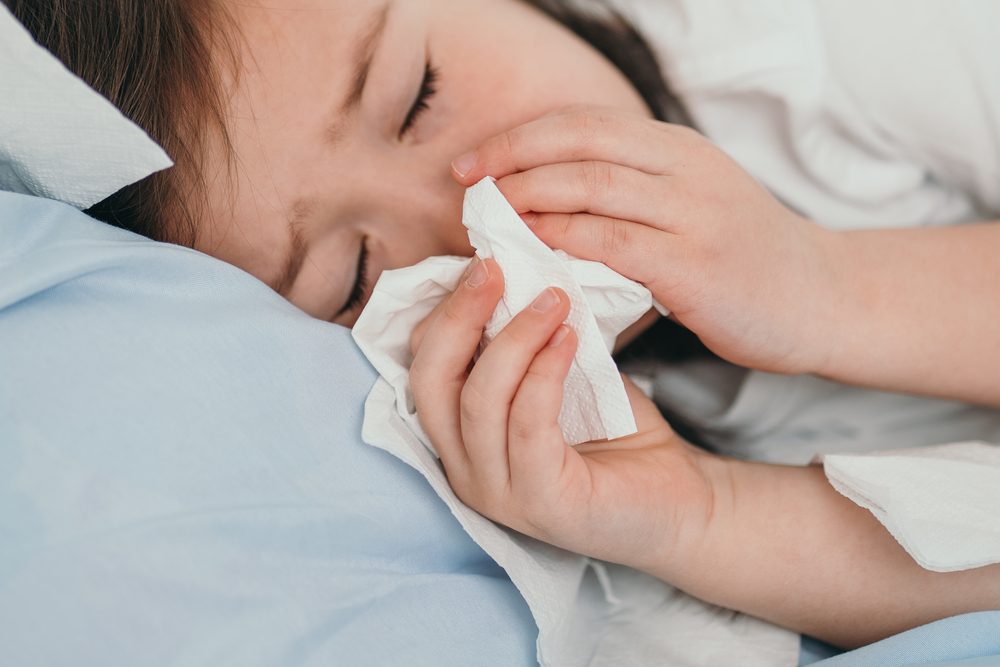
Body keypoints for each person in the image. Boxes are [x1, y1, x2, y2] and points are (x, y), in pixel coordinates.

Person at [7, 0, 999, 650]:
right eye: (355, 274)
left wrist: (832, 287)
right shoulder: (603, 418)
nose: (465, 217)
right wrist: (707, 516)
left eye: (419, 94)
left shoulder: (814, 45)